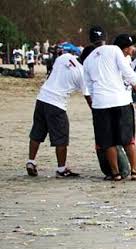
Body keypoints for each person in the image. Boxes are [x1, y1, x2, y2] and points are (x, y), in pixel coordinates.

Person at [83, 33, 136, 181]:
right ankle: (134, 171)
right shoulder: (114, 50)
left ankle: (116, 174)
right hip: (120, 102)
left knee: (108, 142)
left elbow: (89, 87)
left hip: (100, 104)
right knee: (128, 139)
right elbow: (128, 73)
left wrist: (97, 102)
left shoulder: (88, 59)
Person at [26, 50, 90, 178]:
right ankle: (61, 169)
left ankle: (31, 161)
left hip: (42, 98)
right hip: (57, 104)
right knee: (61, 137)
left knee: (37, 132)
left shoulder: (65, 57)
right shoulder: (82, 73)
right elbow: (88, 97)